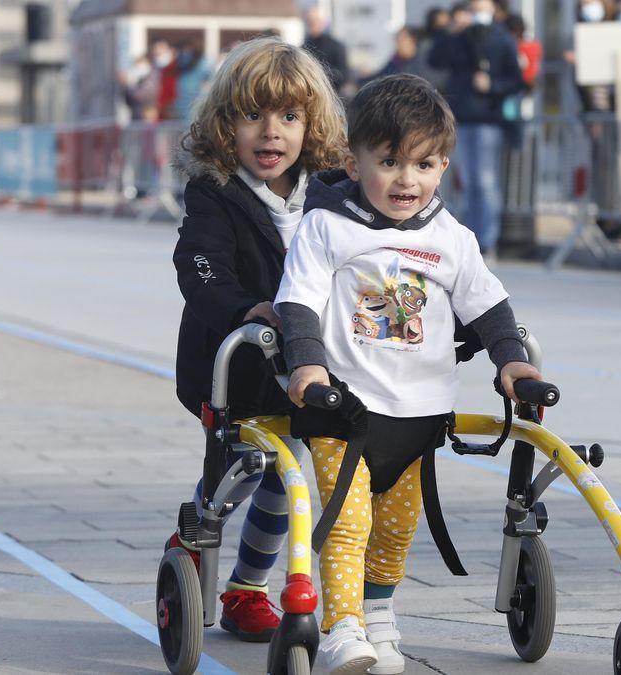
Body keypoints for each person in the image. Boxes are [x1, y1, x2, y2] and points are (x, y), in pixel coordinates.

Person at [274, 73, 542, 675]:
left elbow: (488, 305)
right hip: (344, 407)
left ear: (444, 165)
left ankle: (380, 615)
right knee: (347, 525)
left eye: (422, 165)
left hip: (419, 412)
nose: (406, 180)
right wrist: (307, 364)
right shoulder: (326, 226)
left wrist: (511, 360)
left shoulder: (450, 237)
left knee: (395, 531)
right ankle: (342, 628)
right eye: (389, 162)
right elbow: (299, 301)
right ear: (352, 160)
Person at [166, 37, 346, 643]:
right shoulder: (215, 192)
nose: (272, 134)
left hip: (309, 367)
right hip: (237, 367)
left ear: (310, 125)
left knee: (286, 471)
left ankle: (246, 588)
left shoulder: (330, 194)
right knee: (244, 466)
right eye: (254, 116)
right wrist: (249, 307)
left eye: (290, 118)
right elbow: (201, 266)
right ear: (226, 123)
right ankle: (199, 525)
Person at [429, 0, 524, 256]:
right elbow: (435, 59)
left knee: (484, 181)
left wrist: (491, 86)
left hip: (486, 120)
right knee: (466, 182)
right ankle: (469, 239)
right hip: (459, 117)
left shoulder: (502, 38)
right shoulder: (459, 37)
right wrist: (451, 31)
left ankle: (487, 240)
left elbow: (516, 80)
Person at [304, 6, 350, 94]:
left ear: (323, 23)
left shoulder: (336, 46)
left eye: (315, 21)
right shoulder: (303, 47)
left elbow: (344, 75)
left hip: (331, 95)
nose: (312, 24)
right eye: (309, 21)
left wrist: (317, 74)